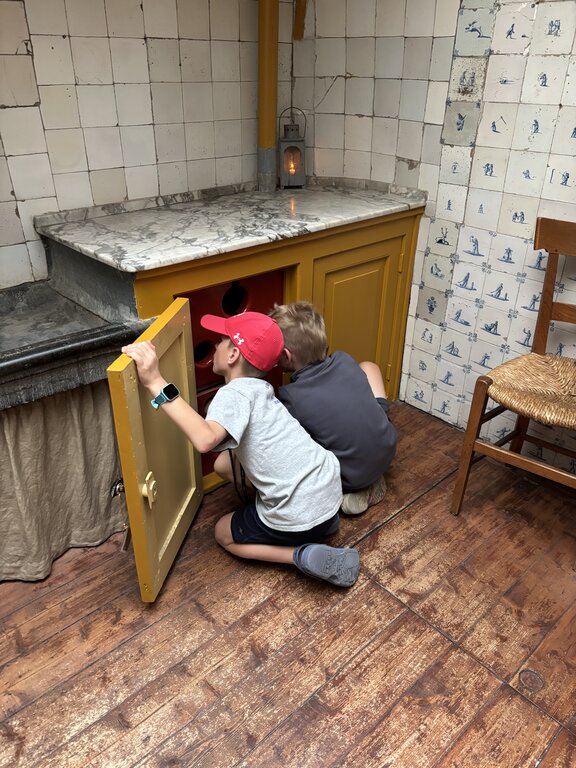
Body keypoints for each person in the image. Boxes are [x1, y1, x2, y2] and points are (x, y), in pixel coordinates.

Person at [121, 311, 360, 588]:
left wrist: (154, 381)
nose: (215, 347)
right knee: (226, 464)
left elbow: (204, 440)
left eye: (220, 341)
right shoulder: (263, 390)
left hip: (297, 512)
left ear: (233, 354)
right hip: (327, 494)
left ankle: (299, 555)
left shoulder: (234, 393)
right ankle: (318, 528)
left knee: (223, 532)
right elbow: (226, 458)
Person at [269, 302, 397, 516]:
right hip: (387, 449)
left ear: (286, 355)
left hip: (349, 476)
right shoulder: (344, 359)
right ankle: (372, 476)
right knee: (369, 367)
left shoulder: (291, 396)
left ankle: (355, 490)